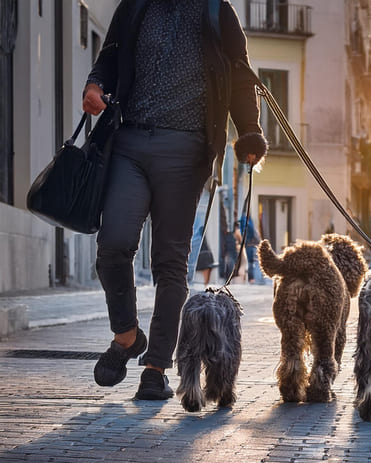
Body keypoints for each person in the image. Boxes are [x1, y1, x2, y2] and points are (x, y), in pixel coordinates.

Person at [83, 0, 267, 401]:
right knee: (113, 244)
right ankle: (128, 336)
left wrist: (249, 132)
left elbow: (240, 76)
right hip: (129, 142)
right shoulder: (135, 7)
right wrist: (96, 84)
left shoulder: (218, 12)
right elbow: (111, 55)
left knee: (170, 260)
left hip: (186, 151)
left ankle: (156, 369)